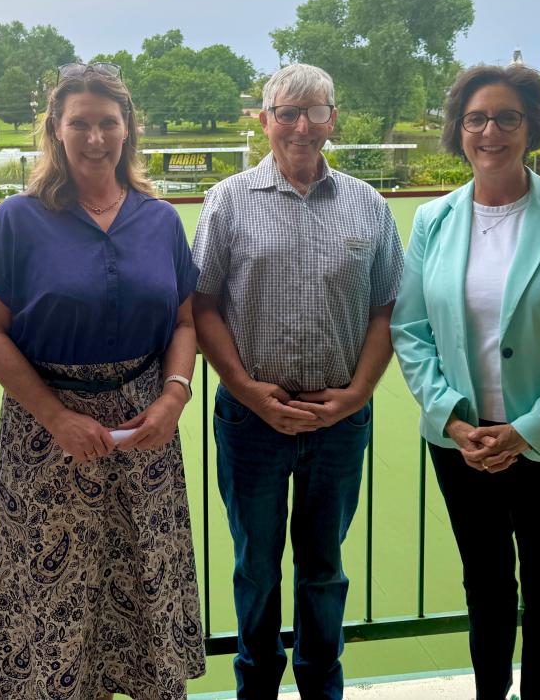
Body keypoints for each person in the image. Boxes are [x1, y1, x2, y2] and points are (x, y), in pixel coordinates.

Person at [0, 63, 205, 700]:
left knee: (142, 587)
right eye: (81, 124)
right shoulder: (18, 219)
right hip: (46, 438)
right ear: (56, 129)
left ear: (129, 129)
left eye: (108, 123)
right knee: (53, 600)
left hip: (145, 431)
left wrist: (174, 396)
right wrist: (56, 417)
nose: (95, 137)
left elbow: (185, 321)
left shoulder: (159, 220)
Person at [390, 64, 540, 700]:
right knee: (486, 588)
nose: (489, 131)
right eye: (475, 118)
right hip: (463, 447)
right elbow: (411, 331)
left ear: (530, 128)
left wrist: (527, 432)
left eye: (506, 117)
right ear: (458, 130)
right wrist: (454, 421)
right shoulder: (433, 221)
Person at [191, 63, 403, 699]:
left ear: (333, 119)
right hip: (251, 419)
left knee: (324, 569)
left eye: (316, 112)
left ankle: (320, 685)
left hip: (339, 422)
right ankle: (256, 686)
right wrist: (249, 390)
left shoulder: (367, 204)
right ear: (265, 120)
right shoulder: (228, 200)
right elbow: (201, 304)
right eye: (288, 112)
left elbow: (387, 308)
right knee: (255, 568)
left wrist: (358, 395)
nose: (302, 126)